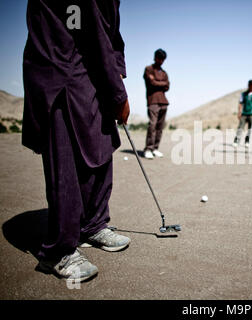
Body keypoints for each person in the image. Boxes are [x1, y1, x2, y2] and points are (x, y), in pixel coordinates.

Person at [22, 0, 131, 282]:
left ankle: (93, 225)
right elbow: (94, 33)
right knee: (67, 161)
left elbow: (110, 35)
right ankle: (58, 252)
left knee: (101, 144)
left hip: (89, 73)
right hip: (59, 71)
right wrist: (118, 94)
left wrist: (116, 74)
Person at [143, 49, 170, 159]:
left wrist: (158, 83)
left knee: (160, 126)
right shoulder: (148, 69)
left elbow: (167, 86)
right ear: (155, 57)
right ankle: (148, 149)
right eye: (159, 58)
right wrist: (161, 83)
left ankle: (155, 148)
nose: (161, 61)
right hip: (153, 101)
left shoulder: (164, 73)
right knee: (152, 125)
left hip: (163, 101)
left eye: (163, 59)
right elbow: (151, 83)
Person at [233, 80, 252, 148]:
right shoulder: (243, 94)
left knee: (250, 128)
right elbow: (240, 103)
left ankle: (247, 140)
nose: (251, 86)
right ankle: (236, 140)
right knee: (240, 127)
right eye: (249, 85)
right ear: (248, 85)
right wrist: (239, 112)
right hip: (244, 113)